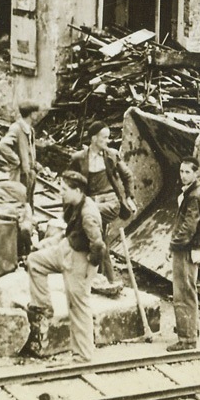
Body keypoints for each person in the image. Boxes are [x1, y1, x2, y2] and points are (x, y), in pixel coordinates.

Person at [24, 170, 106, 361]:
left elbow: (98, 246)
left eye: (64, 189)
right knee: (35, 261)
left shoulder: (88, 214)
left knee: (78, 306)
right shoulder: (75, 203)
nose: (60, 192)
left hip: (80, 258)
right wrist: (52, 242)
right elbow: (70, 230)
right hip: (67, 247)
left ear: (77, 191)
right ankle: (43, 307)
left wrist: (89, 270)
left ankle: (83, 356)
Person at [68, 121, 135, 286]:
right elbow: (71, 181)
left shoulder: (111, 155)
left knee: (87, 221)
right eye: (104, 137)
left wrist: (129, 197)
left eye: (108, 137)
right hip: (91, 201)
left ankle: (92, 275)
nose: (108, 140)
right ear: (93, 138)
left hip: (111, 201)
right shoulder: (79, 158)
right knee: (99, 237)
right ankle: (106, 278)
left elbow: (127, 176)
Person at [168, 158, 200, 353]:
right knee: (189, 290)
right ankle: (192, 330)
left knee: (183, 293)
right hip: (191, 248)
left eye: (187, 172)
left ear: (196, 174)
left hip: (185, 250)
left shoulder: (194, 195)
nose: (183, 175)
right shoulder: (193, 192)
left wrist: (173, 244)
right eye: (181, 171)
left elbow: (188, 227)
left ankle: (187, 339)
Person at [0, 103, 39, 207]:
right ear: (31, 114)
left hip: (29, 173)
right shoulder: (16, 128)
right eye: (35, 112)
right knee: (18, 202)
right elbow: (3, 145)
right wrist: (16, 161)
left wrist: (34, 164)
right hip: (19, 174)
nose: (37, 114)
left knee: (29, 201)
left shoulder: (30, 130)